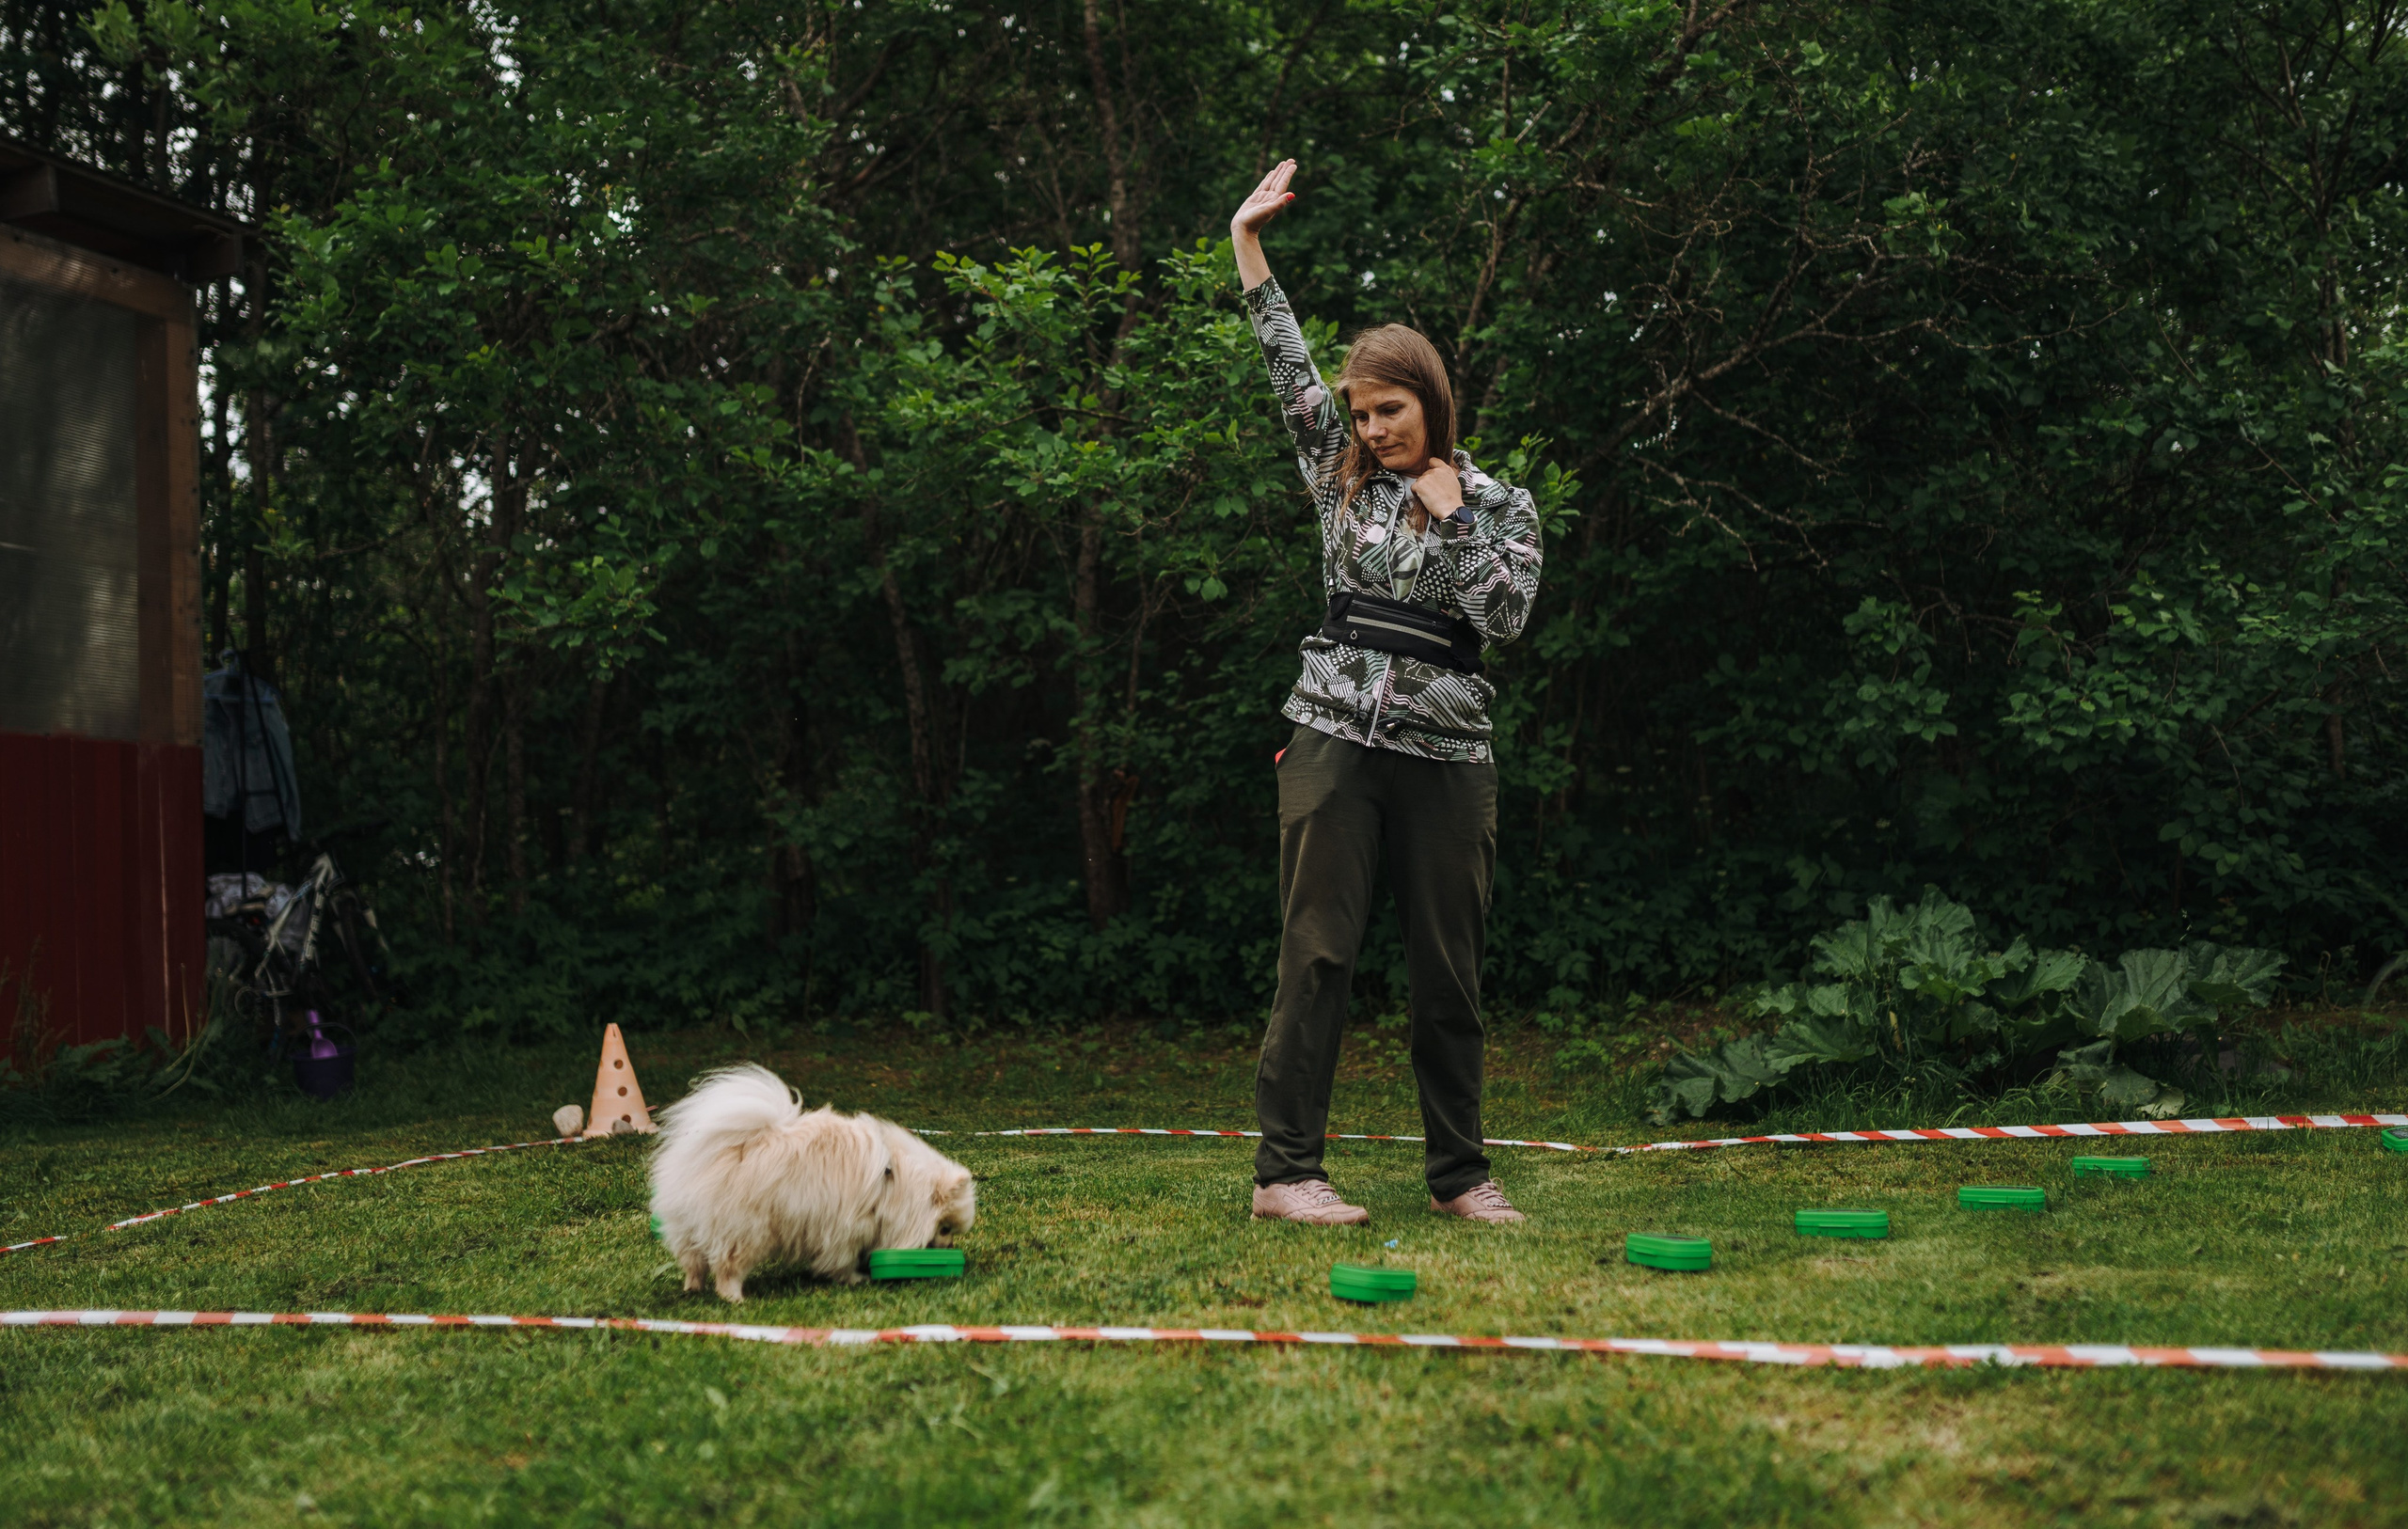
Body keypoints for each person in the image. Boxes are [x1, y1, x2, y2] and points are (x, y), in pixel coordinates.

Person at [1232, 159, 1544, 1226]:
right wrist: (1248, 243)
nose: (1371, 429)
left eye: (1390, 410)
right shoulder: (1339, 479)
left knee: (1448, 975)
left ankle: (1460, 1178)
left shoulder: (1503, 505)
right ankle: (1285, 1176)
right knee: (1316, 955)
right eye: (1361, 413)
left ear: (1433, 402)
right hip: (1332, 742)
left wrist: (1454, 515)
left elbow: (1503, 619)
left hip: (1451, 759)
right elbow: (1286, 366)